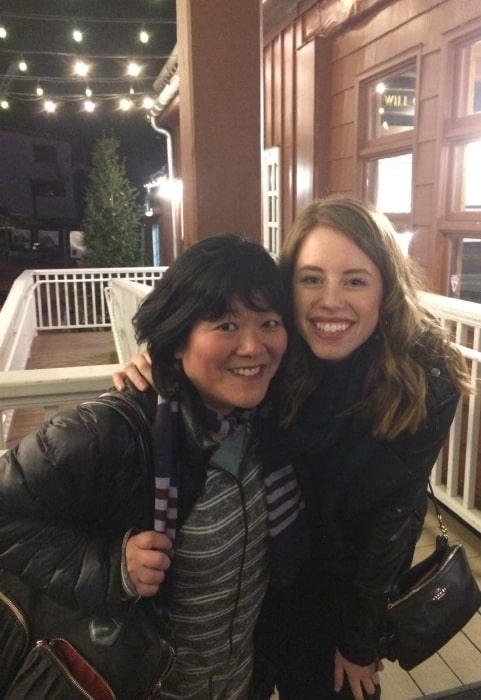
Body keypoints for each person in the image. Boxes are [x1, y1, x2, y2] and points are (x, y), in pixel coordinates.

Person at [114, 196, 469, 700]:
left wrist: (358, 638)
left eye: (355, 280)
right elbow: (210, 341)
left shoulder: (423, 380)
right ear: (288, 289)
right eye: (311, 278)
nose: (330, 300)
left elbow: (390, 523)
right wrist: (155, 358)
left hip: (345, 585)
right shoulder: (271, 352)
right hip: (254, 573)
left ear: (385, 288)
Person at [0, 233, 308, 700]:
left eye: (269, 322)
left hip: (241, 682)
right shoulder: (111, 433)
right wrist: (109, 566)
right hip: (140, 684)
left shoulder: (272, 421)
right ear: (177, 338)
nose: (253, 346)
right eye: (226, 326)